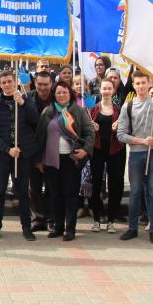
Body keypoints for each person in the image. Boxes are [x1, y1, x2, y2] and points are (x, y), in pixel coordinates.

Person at [117, 71, 153, 244]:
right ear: (133, 86)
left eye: (144, 83)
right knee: (135, 192)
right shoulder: (128, 106)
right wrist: (141, 140)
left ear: (149, 83)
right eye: (138, 83)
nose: (141, 86)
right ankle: (132, 228)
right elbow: (121, 134)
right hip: (136, 153)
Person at [0, 69, 39, 241]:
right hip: (3, 154)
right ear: (0, 85)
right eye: (4, 82)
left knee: (22, 191)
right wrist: (7, 149)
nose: (7, 85)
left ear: (15, 83)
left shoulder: (25, 102)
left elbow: (36, 121)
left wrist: (23, 103)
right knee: (0, 191)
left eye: (10, 81)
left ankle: (26, 227)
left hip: (22, 154)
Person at [35, 81, 95, 241]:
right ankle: (58, 226)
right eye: (58, 92)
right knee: (55, 195)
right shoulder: (48, 112)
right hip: (52, 160)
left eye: (64, 92)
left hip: (71, 159)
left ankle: (70, 228)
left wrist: (85, 150)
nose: (61, 95)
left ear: (70, 94)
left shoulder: (79, 111)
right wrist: (39, 159)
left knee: (70, 195)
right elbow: (40, 137)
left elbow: (90, 133)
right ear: (54, 95)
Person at [88, 77, 125, 233]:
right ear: (100, 90)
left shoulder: (120, 110)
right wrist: (91, 127)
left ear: (113, 90)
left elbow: (127, 129)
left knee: (115, 185)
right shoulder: (92, 110)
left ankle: (110, 220)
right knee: (95, 184)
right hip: (97, 150)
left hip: (115, 150)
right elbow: (84, 130)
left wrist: (120, 126)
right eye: (104, 88)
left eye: (109, 88)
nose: (107, 91)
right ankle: (96, 219)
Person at [27, 70, 55, 231]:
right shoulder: (27, 99)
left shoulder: (58, 99)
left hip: (53, 151)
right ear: (35, 84)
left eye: (46, 84)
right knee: (35, 188)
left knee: (52, 188)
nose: (43, 88)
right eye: (40, 84)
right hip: (33, 151)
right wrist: (37, 158)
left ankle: (52, 218)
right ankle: (38, 218)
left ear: (51, 84)